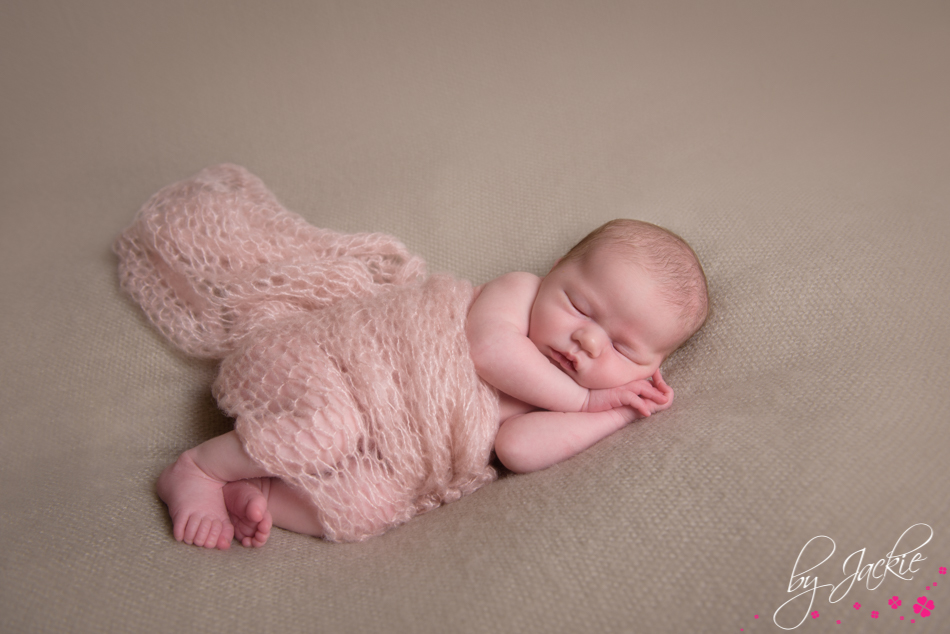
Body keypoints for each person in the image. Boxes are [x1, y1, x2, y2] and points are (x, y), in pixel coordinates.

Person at [156, 218, 708, 550]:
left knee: (370, 505)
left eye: (621, 348)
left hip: (400, 447)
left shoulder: (578, 405)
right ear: (556, 268)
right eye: (580, 306)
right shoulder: (517, 295)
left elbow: (515, 448)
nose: (587, 341)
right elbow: (489, 353)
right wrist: (588, 397)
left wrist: (614, 414)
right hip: (331, 369)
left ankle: (261, 492)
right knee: (329, 430)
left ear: (648, 370)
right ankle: (200, 467)